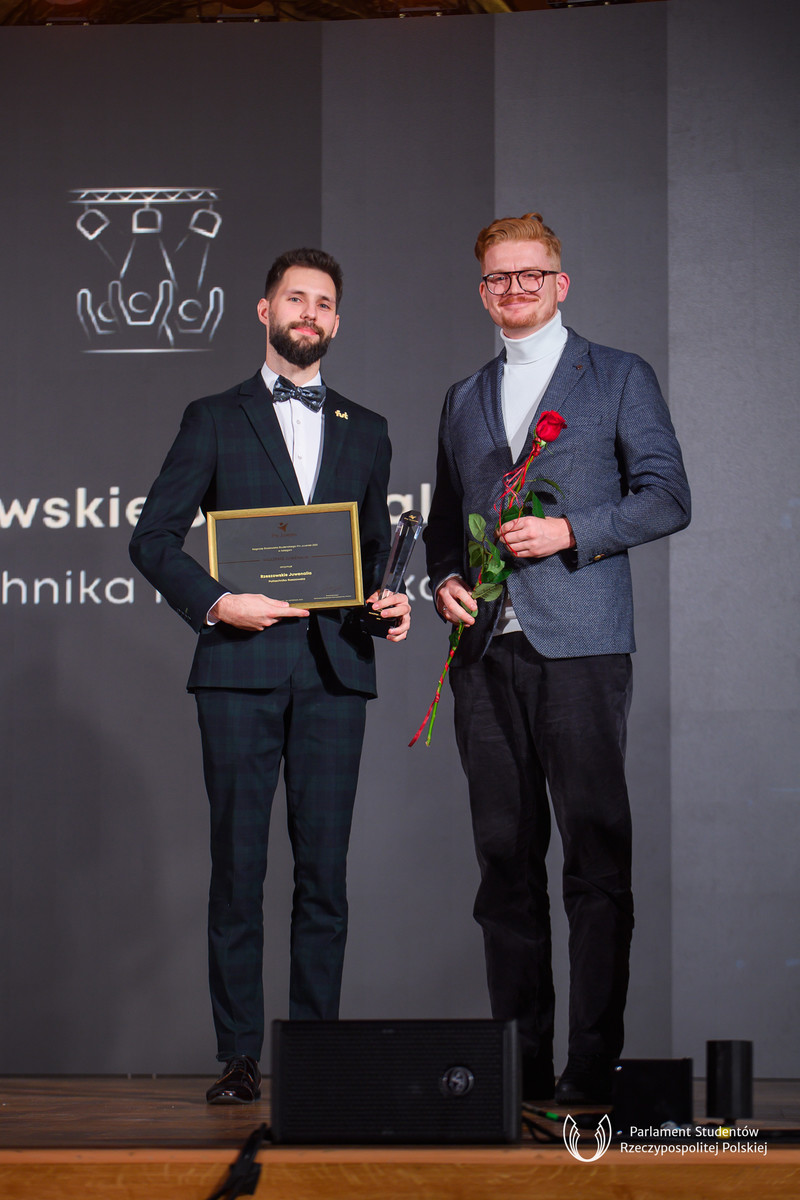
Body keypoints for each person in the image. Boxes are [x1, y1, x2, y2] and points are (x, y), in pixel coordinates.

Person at [130, 248, 410, 1104]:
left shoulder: (369, 428)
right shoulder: (213, 417)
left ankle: (316, 1054)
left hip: (334, 672)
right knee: (238, 870)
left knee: (325, 875)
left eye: (324, 302)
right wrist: (219, 602)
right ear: (264, 310)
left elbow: (368, 557)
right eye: (296, 298)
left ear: (337, 321)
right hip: (238, 671)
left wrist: (389, 602)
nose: (309, 313)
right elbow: (151, 539)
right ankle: (240, 1056)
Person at [424, 213, 690, 1105]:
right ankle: (522, 1070)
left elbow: (668, 496)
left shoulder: (617, 375)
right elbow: (444, 526)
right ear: (483, 292)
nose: (515, 290)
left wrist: (572, 530)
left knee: (595, 865)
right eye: (498, 278)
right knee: (504, 868)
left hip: (581, 649)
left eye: (530, 274)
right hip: (483, 655)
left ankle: (590, 1067)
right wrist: (444, 585)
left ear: (560, 283)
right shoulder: (463, 397)